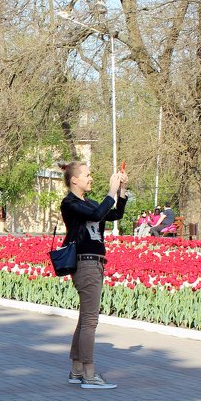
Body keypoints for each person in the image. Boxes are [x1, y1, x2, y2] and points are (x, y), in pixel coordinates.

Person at [60, 162, 128, 388]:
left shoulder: (88, 203)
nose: (91, 178)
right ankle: (90, 375)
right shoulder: (70, 203)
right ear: (74, 180)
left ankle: (77, 369)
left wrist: (121, 191)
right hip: (85, 263)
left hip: (95, 263)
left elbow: (114, 214)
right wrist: (110, 190)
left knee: (85, 319)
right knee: (90, 320)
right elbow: (99, 213)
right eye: (87, 175)